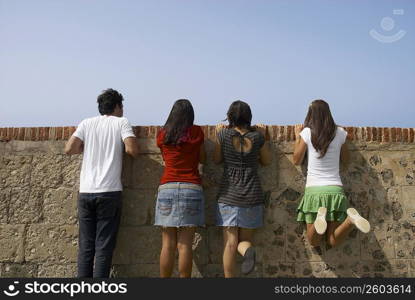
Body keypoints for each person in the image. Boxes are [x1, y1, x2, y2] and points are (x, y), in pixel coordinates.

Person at [64, 88, 139, 278]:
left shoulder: (86, 123)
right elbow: (132, 150)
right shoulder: (121, 122)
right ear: (116, 106)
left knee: (86, 246)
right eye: (121, 106)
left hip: (86, 191)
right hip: (109, 191)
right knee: (104, 246)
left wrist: (87, 148)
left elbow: (69, 149)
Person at [293, 99, 370, 248]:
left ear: (311, 115)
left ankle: (318, 221)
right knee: (332, 241)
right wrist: (343, 142)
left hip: (314, 191)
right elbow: (346, 160)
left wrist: (298, 137)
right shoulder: (340, 133)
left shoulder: (307, 132)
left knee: (313, 241)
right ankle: (350, 221)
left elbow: (296, 159)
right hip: (335, 190)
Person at [213, 100, 271, 277]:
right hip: (252, 195)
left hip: (228, 196)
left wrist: (217, 136)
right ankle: (247, 252)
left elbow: (216, 159)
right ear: (248, 117)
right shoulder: (257, 138)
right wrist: (264, 136)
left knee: (230, 243)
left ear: (230, 116)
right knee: (244, 241)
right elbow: (267, 161)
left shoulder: (224, 136)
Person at [155, 99, 206, 278]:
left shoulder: (163, 134)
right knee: (185, 244)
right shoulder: (197, 132)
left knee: (167, 243)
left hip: (167, 187)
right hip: (191, 186)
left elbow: (165, 158)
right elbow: (203, 158)